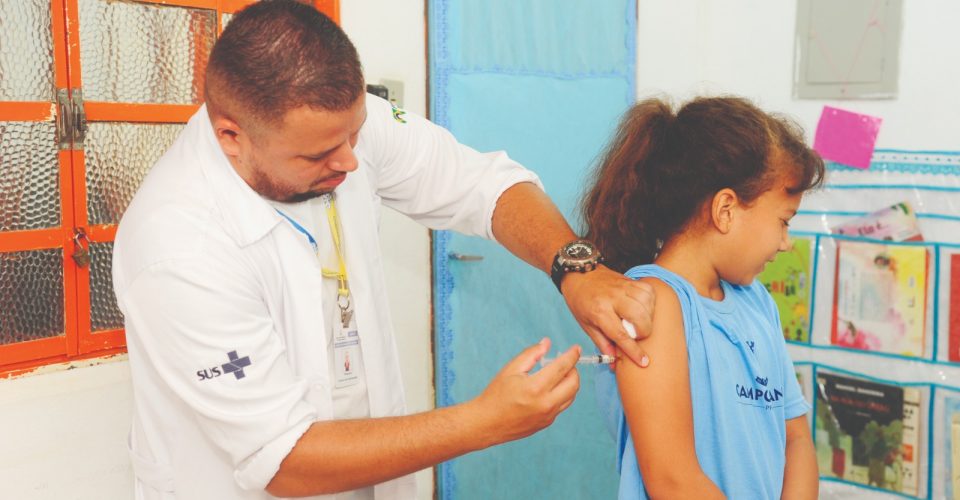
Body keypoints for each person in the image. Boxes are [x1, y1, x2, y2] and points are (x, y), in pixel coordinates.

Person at [112, 1, 654, 498]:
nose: (350, 162)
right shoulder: (178, 248)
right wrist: (484, 421)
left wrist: (574, 267)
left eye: (356, 134)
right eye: (322, 154)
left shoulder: (340, 131)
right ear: (232, 136)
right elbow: (282, 459)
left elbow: (484, 184)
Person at [586, 96, 823, 499]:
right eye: (783, 222)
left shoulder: (757, 301)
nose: (786, 243)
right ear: (726, 209)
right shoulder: (651, 306)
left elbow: (796, 437)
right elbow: (673, 480)